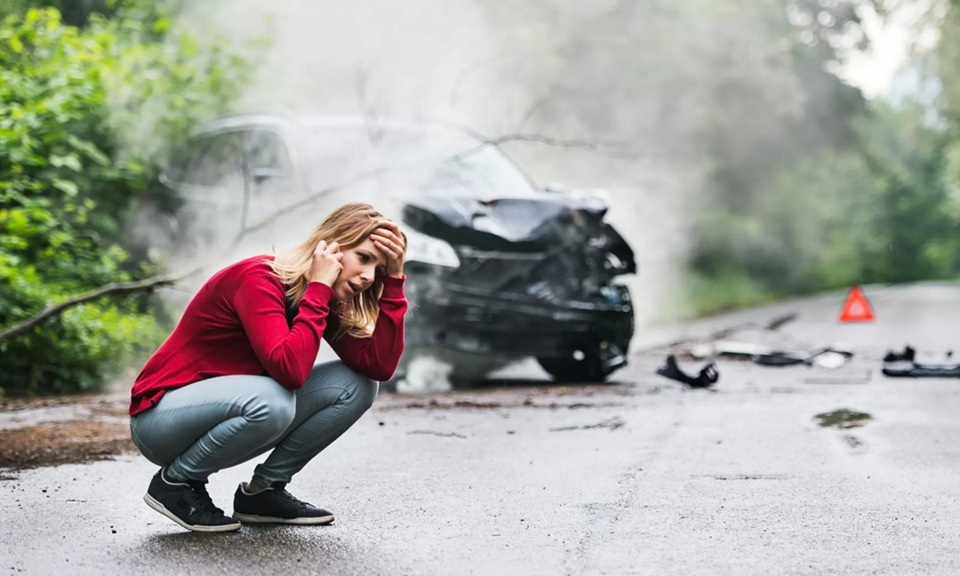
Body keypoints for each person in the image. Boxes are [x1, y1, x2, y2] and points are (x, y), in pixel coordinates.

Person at [128, 202, 407, 533]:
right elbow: (289, 371)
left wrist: (395, 282)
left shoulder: (322, 299)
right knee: (274, 399)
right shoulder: (259, 277)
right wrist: (318, 290)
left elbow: (378, 365)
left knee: (357, 385)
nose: (368, 276)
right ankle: (175, 483)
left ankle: (263, 493)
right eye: (363, 258)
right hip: (160, 419)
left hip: (227, 414)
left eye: (379, 268)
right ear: (331, 246)